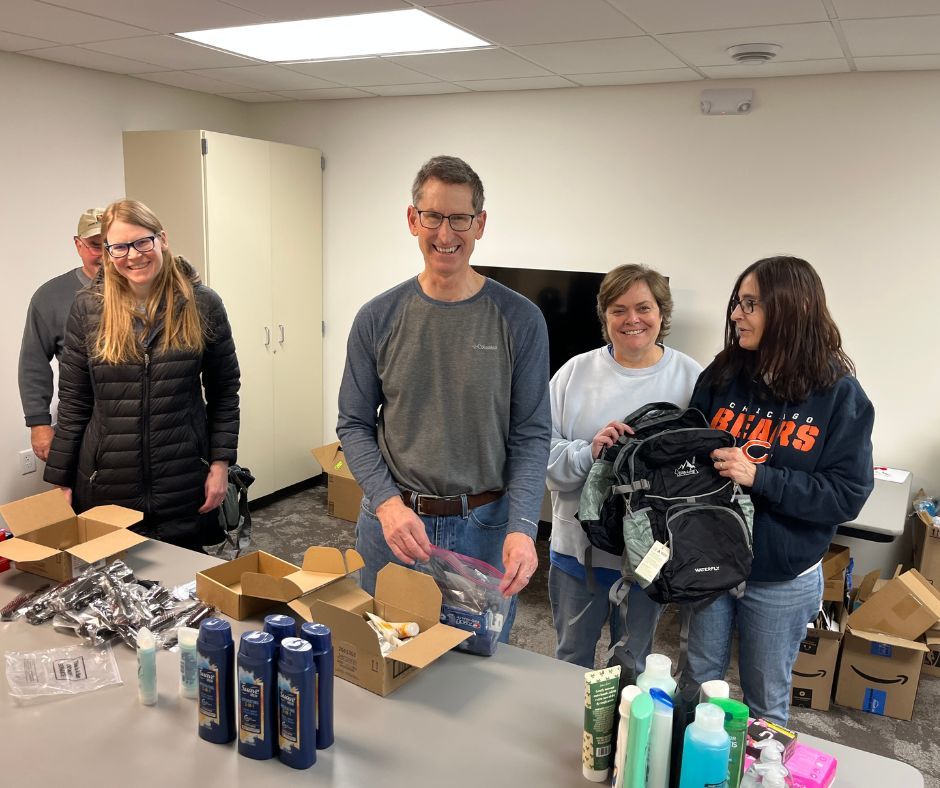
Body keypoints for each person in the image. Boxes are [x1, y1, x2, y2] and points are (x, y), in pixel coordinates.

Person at [336, 155, 551, 637]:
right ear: (413, 219)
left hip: (484, 528)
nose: (445, 233)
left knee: (474, 669)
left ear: (480, 224)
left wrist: (523, 525)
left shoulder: (520, 319)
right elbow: (352, 423)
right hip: (393, 525)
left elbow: (532, 435)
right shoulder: (378, 317)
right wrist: (387, 503)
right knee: (383, 655)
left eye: (460, 218)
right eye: (433, 216)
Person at [684, 255, 874, 724]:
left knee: (765, 702)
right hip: (711, 560)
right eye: (737, 302)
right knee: (699, 685)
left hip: (781, 575)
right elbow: (692, 445)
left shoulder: (839, 395)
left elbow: (846, 494)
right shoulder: (724, 374)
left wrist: (761, 477)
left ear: (789, 310)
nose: (735, 315)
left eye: (750, 304)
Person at [43, 199, 240, 550]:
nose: (133, 255)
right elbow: (74, 401)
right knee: (112, 592)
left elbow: (224, 392)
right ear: (107, 252)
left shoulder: (202, 303)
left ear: (161, 239)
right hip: (107, 484)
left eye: (141, 242)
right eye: (119, 247)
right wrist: (60, 480)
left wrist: (221, 464)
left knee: (183, 593)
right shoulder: (88, 308)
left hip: (183, 480)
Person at [546, 264, 702, 671]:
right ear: (604, 317)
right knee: (569, 660)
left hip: (651, 556)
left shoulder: (692, 378)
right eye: (619, 310)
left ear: (662, 313)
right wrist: (590, 452)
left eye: (643, 308)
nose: (632, 319)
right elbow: (540, 458)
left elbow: (704, 469)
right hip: (577, 553)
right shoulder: (572, 374)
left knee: (633, 665)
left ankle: (622, 735)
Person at [19, 208, 104, 462]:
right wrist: (39, 424)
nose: (105, 256)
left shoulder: (142, 290)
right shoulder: (50, 297)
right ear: (78, 245)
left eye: (111, 245)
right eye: (95, 246)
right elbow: (33, 363)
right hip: (82, 421)